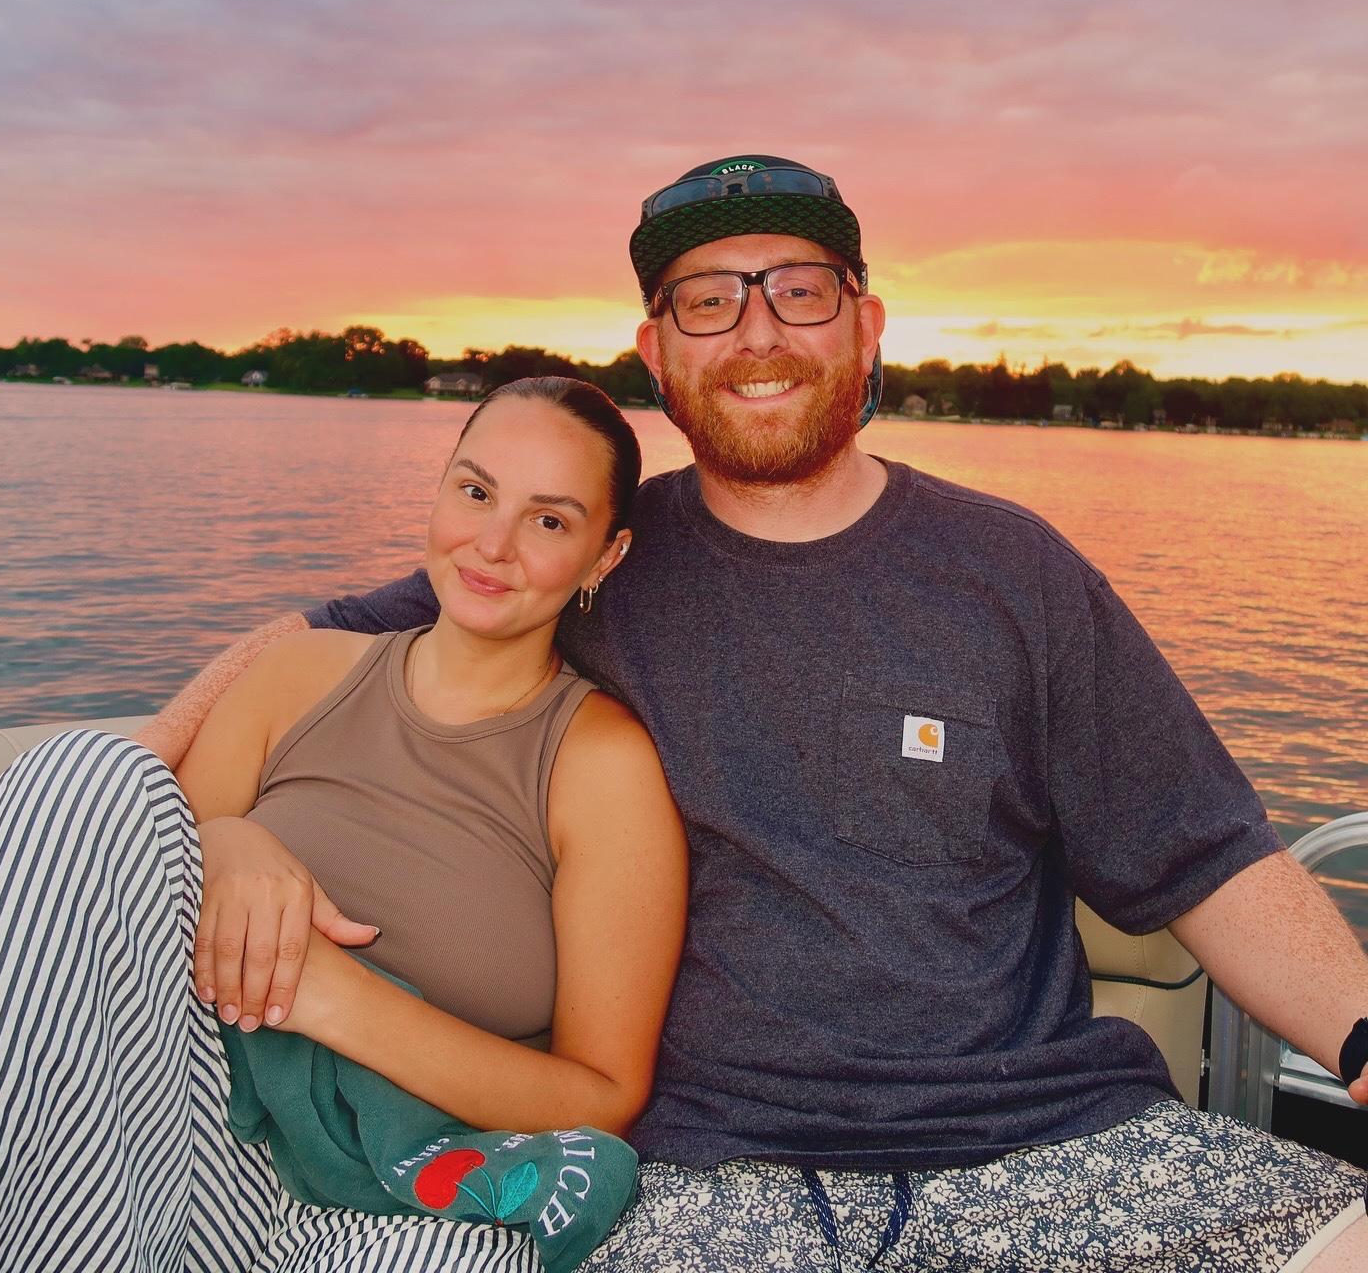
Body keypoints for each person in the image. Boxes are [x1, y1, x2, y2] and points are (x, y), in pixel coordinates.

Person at [139, 157, 1368, 1271]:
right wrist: (161, 788)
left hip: (1044, 1148)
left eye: (800, 291)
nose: (758, 331)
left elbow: (1208, 859)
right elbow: (312, 640)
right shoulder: (586, 557)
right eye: (708, 301)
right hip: (708, 1180)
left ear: (866, 326)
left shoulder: (1015, 573)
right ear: (657, 351)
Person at [0, 377, 688, 1273]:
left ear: (606, 555)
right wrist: (227, 841)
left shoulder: (601, 765)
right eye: (476, 491)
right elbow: (145, 878)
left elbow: (602, 1098)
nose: (493, 543)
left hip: (396, 1185)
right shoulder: (297, 674)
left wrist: (331, 995)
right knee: (84, 769)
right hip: (170, 1116)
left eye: (549, 520)